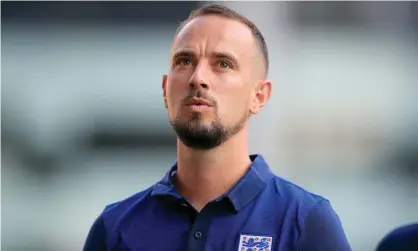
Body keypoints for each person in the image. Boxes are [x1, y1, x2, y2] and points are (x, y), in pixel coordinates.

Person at [83, 4, 351, 251]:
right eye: (184, 61)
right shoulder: (114, 229)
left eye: (223, 64)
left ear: (259, 96)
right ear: (165, 90)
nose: (198, 77)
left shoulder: (306, 222)